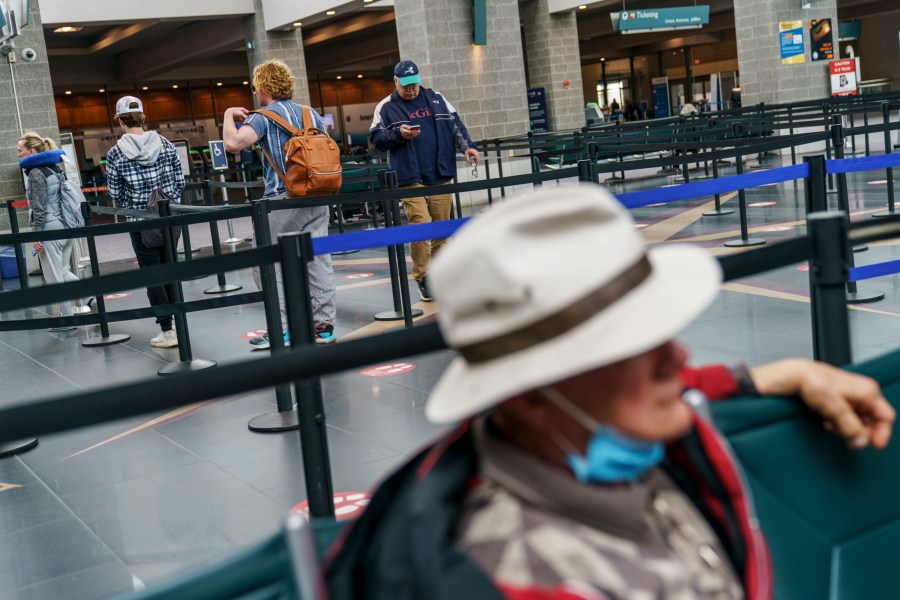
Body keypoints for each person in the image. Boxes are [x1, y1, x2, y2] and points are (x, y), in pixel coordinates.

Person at [325, 185, 895, 599]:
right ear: (530, 398)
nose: (680, 357)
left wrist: (775, 376)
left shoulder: (569, 433)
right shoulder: (523, 577)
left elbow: (642, 391)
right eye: (631, 348)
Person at [223, 59, 337, 348]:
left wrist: (227, 114)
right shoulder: (309, 112)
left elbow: (234, 144)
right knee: (318, 259)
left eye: (254, 87)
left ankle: (285, 328)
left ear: (262, 87)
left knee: (265, 264)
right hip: (319, 193)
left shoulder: (263, 116)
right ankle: (324, 327)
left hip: (283, 200)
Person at [369, 60, 480, 302]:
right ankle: (423, 277)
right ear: (395, 82)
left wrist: (467, 147)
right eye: (406, 86)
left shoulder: (436, 98)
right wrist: (398, 134)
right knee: (421, 224)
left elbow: (455, 124)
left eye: (414, 84)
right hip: (410, 176)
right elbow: (376, 138)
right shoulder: (386, 107)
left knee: (441, 228)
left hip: (440, 172)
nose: (411, 90)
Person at [105, 96, 186, 348]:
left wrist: (136, 202)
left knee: (153, 274)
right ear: (143, 117)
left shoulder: (115, 153)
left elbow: (115, 194)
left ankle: (166, 330)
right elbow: (179, 182)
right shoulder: (165, 144)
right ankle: (180, 325)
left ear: (120, 120)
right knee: (171, 268)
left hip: (140, 221)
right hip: (169, 216)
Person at [17, 132, 92, 330]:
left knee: (53, 277)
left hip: (49, 228)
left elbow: (39, 206)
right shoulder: (55, 168)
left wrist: (37, 234)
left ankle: (66, 319)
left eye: (20, 150)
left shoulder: (35, 173)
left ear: (31, 151)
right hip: (66, 225)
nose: (18, 154)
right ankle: (90, 294)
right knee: (63, 271)